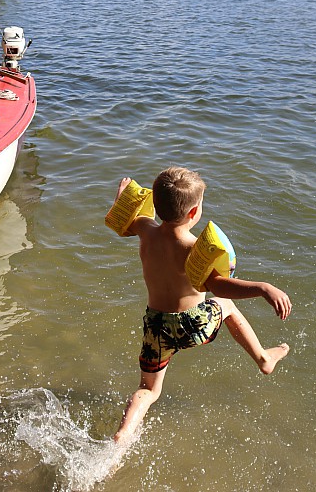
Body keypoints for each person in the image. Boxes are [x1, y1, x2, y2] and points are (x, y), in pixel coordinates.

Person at [112, 166, 292, 445]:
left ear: (156, 207)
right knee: (226, 305)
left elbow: (130, 216)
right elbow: (218, 286)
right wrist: (263, 288)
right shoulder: (192, 249)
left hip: (156, 328)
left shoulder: (146, 230)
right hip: (191, 325)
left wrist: (122, 196)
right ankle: (263, 359)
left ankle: (124, 433)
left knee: (148, 390)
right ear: (194, 213)